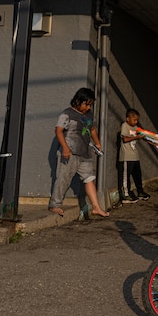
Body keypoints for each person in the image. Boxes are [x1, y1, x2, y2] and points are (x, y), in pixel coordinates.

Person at [48, 87, 109, 218]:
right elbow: (58, 131)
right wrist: (65, 148)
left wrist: (97, 142)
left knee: (90, 179)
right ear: (77, 101)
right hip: (70, 153)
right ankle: (54, 205)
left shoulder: (89, 115)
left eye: (90, 105)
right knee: (63, 179)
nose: (88, 107)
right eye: (86, 104)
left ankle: (96, 207)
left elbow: (92, 129)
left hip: (85, 154)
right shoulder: (67, 114)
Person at [117, 108, 151, 204]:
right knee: (126, 176)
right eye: (134, 119)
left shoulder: (136, 128)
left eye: (137, 120)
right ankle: (126, 196)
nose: (136, 122)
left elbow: (143, 135)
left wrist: (154, 141)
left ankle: (140, 192)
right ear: (128, 119)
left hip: (135, 156)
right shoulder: (125, 126)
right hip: (126, 157)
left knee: (137, 175)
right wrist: (136, 137)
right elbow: (125, 139)